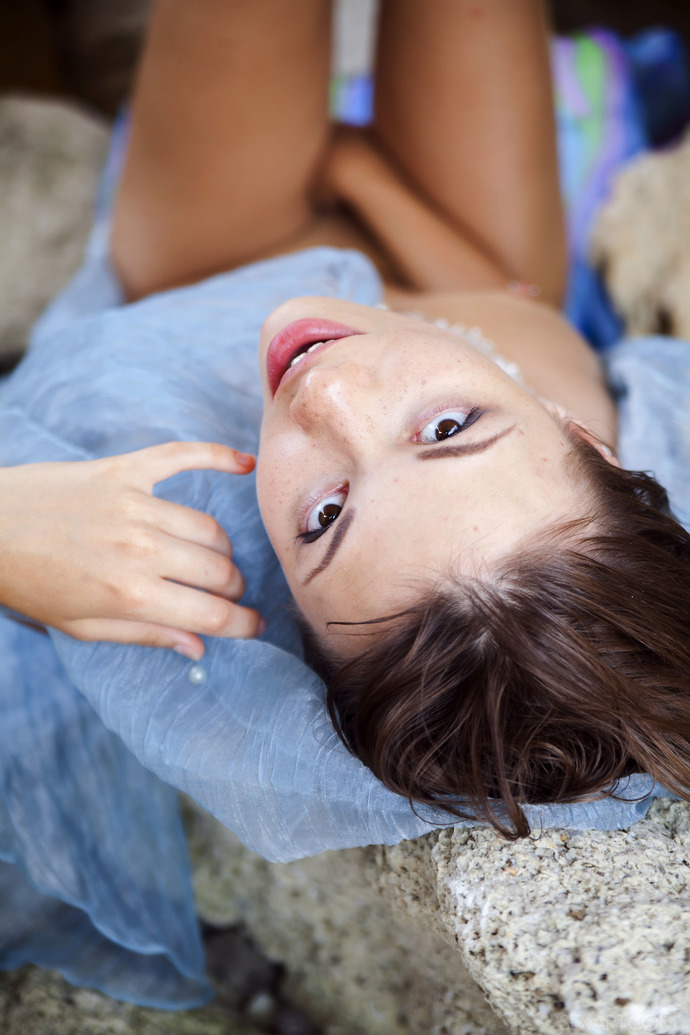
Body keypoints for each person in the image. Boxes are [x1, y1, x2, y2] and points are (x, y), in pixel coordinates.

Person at [6, 0, 690, 845]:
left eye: (325, 516)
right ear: (580, 435)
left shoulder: (182, 553)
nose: (327, 397)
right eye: (446, 428)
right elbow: (519, 311)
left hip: (216, 261)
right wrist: (355, 169)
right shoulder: (572, 434)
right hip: (467, 268)